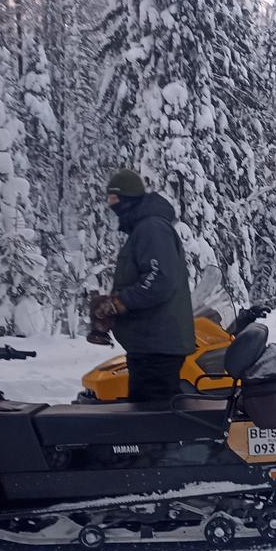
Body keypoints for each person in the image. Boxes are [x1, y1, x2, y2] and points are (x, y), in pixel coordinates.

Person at [91, 169, 195, 403]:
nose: (111, 206)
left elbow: (160, 279)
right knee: (148, 416)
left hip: (157, 345)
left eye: (115, 199)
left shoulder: (151, 228)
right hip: (151, 343)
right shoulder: (145, 228)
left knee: (151, 421)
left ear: (128, 199)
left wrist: (120, 303)